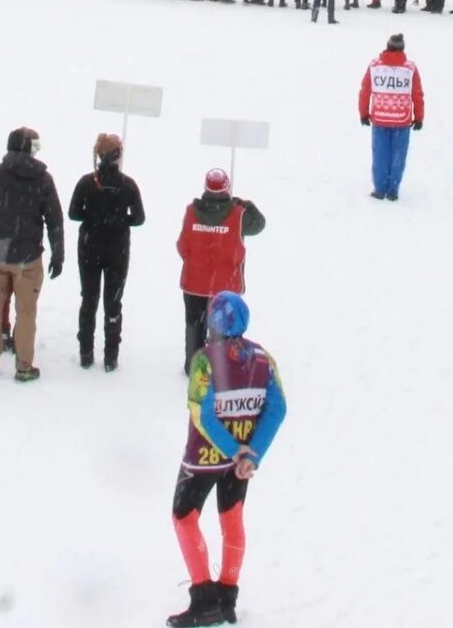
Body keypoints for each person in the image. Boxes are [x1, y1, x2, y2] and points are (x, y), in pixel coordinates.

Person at [165, 291, 287, 628]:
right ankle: (227, 596)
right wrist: (251, 453)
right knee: (232, 518)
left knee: (183, 517)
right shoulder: (264, 360)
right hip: (241, 461)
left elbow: (201, 414)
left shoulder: (205, 360)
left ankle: (203, 598)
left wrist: (231, 449)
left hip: (204, 457)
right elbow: (278, 408)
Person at [0, 126, 64, 382]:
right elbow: (54, 219)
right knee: (26, 312)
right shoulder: (43, 179)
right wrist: (58, 253)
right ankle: (23, 365)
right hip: (28, 256)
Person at [67, 132, 145, 371]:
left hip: (89, 246)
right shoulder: (128, 184)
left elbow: (73, 213)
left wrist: (94, 217)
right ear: (117, 156)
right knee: (113, 302)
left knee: (88, 299)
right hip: (117, 249)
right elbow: (139, 218)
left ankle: (86, 352)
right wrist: (120, 220)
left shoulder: (86, 182)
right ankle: (111, 356)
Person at [175, 168, 265, 370]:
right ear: (227, 188)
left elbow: (183, 245)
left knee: (194, 326)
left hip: (194, 282)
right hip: (226, 286)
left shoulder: (191, 211)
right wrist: (246, 204)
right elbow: (259, 224)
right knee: (223, 328)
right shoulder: (239, 215)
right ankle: (220, 368)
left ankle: (193, 365)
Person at [360, 33, 425, 200]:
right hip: (401, 120)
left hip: (380, 118)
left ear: (387, 47)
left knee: (380, 154)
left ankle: (380, 189)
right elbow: (417, 94)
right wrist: (419, 117)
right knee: (398, 155)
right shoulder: (410, 68)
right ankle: (393, 189)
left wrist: (363, 113)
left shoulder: (375, 66)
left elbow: (365, 90)